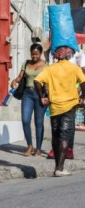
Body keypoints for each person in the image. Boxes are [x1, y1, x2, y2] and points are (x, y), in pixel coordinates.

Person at [34, 46, 85, 177]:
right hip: (69, 107)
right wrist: (82, 97)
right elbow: (84, 82)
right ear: (69, 56)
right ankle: (60, 168)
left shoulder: (50, 69)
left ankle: (57, 167)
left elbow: (37, 81)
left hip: (54, 107)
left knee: (56, 136)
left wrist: (42, 97)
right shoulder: (74, 69)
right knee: (64, 136)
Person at [10, 43, 47, 156]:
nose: (34, 56)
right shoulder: (26, 63)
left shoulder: (46, 65)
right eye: (32, 54)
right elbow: (21, 76)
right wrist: (14, 81)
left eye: (36, 54)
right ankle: (30, 145)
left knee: (38, 122)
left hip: (41, 95)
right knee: (25, 120)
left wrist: (46, 97)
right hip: (27, 94)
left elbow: (48, 82)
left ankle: (39, 148)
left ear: (40, 54)